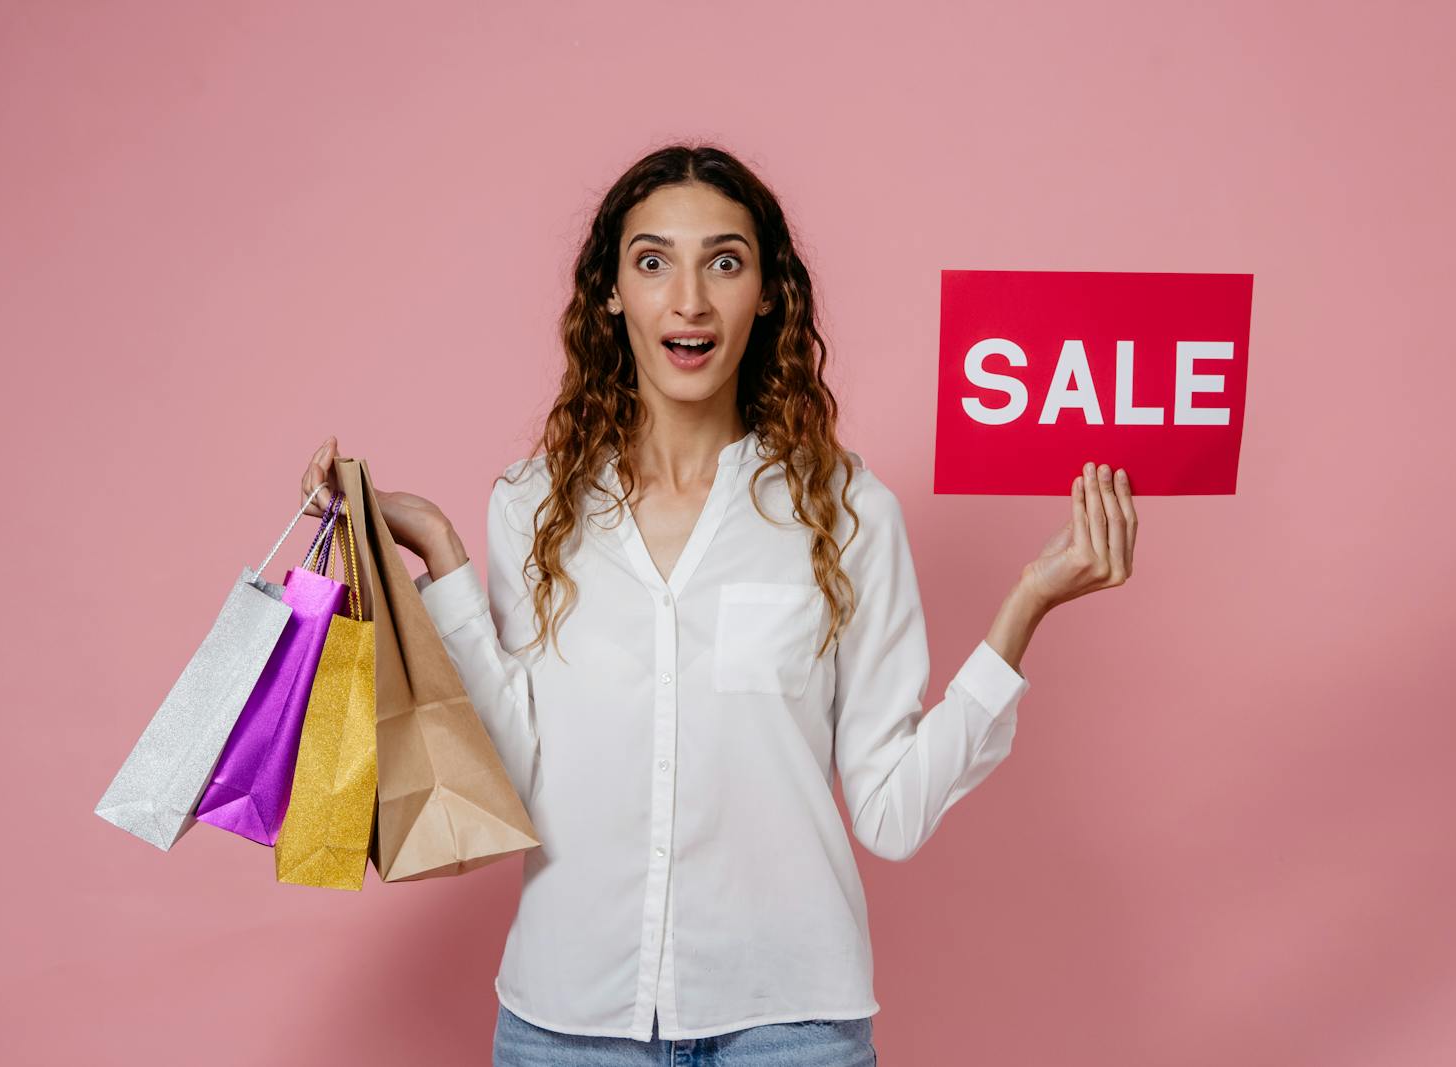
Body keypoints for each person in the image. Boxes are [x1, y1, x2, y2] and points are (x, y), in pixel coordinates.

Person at [299, 143, 1137, 1066]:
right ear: (611, 293)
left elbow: (892, 813)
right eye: (653, 261)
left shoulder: (849, 513)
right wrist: (445, 557)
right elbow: (523, 782)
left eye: (725, 261)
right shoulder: (530, 507)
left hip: (790, 1028)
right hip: (569, 1025)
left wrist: (1025, 608)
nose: (689, 299)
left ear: (768, 292)